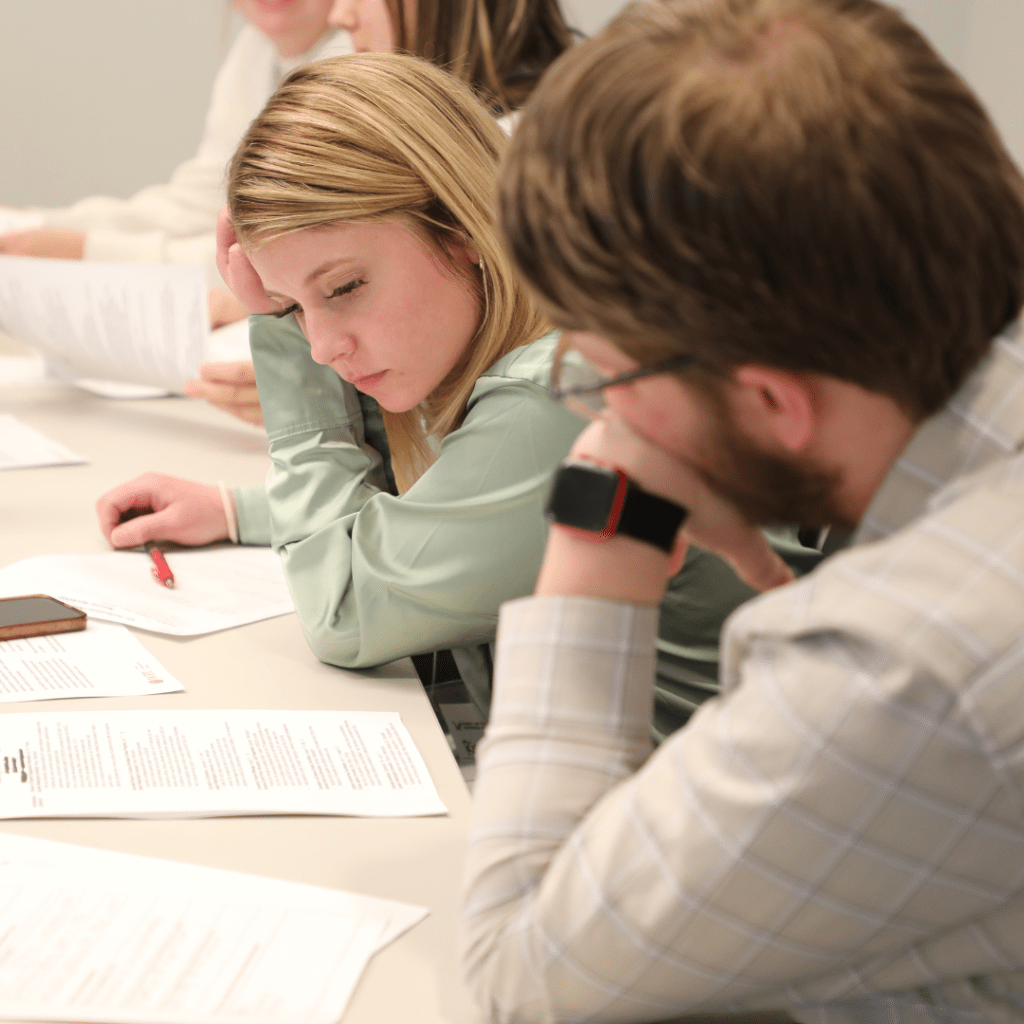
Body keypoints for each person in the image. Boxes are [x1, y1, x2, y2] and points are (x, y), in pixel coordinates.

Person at [461, 1, 1024, 1022]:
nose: (600, 406)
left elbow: (522, 970)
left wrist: (606, 512)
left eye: (612, 373)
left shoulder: (903, 665)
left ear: (773, 402)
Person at [0, 1, 351, 424]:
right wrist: (34, 227)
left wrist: (80, 248)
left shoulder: (350, 69)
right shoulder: (256, 51)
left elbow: (281, 252)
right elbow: (203, 199)